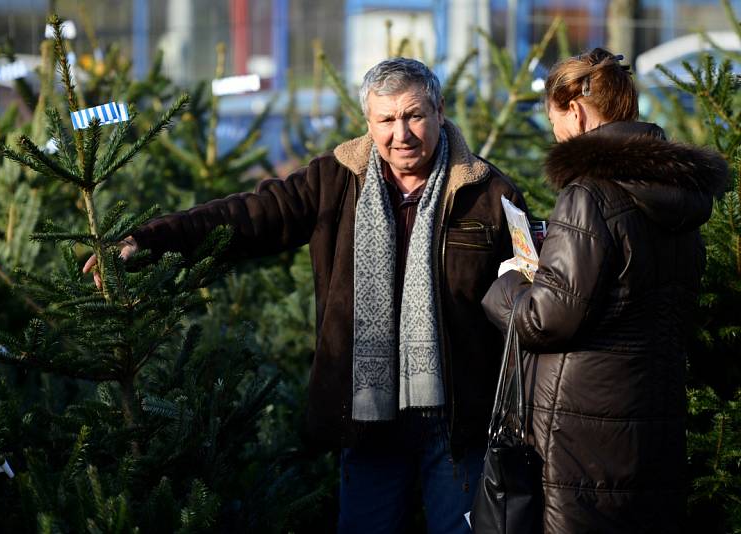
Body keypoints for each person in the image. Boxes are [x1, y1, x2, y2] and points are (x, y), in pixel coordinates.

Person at [85, 57, 526, 533]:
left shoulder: (488, 193)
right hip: (367, 412)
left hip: (457, 420)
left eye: (414, 115)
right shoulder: (334, 181)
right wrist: (148, 240)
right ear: (368, 123)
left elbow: (526, 299)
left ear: (439, 110)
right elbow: (248, 216)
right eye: (387, 120)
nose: (402, 133)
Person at [481, 48, 728, 533]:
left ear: (574, 111)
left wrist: (508, 280)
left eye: (554, 120)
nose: (555, 135)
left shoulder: (589, 193)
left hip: (582, 431)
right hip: (654, 418)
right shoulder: (678, 195)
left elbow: (546, 318)